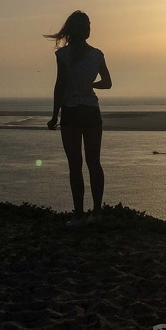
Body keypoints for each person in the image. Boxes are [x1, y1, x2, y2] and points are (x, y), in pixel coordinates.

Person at [45, 11, 112, 227]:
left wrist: (55, 114)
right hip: (91, 110)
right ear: (85, 29)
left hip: (71, 111)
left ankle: (79, 215)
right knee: (94, 163)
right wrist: (90, 85)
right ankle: (98, 213)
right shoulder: (97, 55)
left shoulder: (63, 55)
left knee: (75, 164)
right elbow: (107, 83)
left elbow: (59, 86)